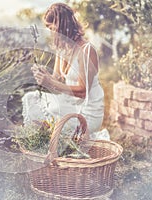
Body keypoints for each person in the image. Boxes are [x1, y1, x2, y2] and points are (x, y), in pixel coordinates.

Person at [22, 3, 109, 140]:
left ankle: (62, 140)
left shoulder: (87, 50)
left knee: (54, 110)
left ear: (60, 26)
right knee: (30, 98)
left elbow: (82, 91)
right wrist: (45, 75)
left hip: (88, 110)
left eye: (51, 28)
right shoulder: (62, 49)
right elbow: (56, 79)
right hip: (70, 103)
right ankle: (44, 141)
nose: (51, 32)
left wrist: (50, 82)